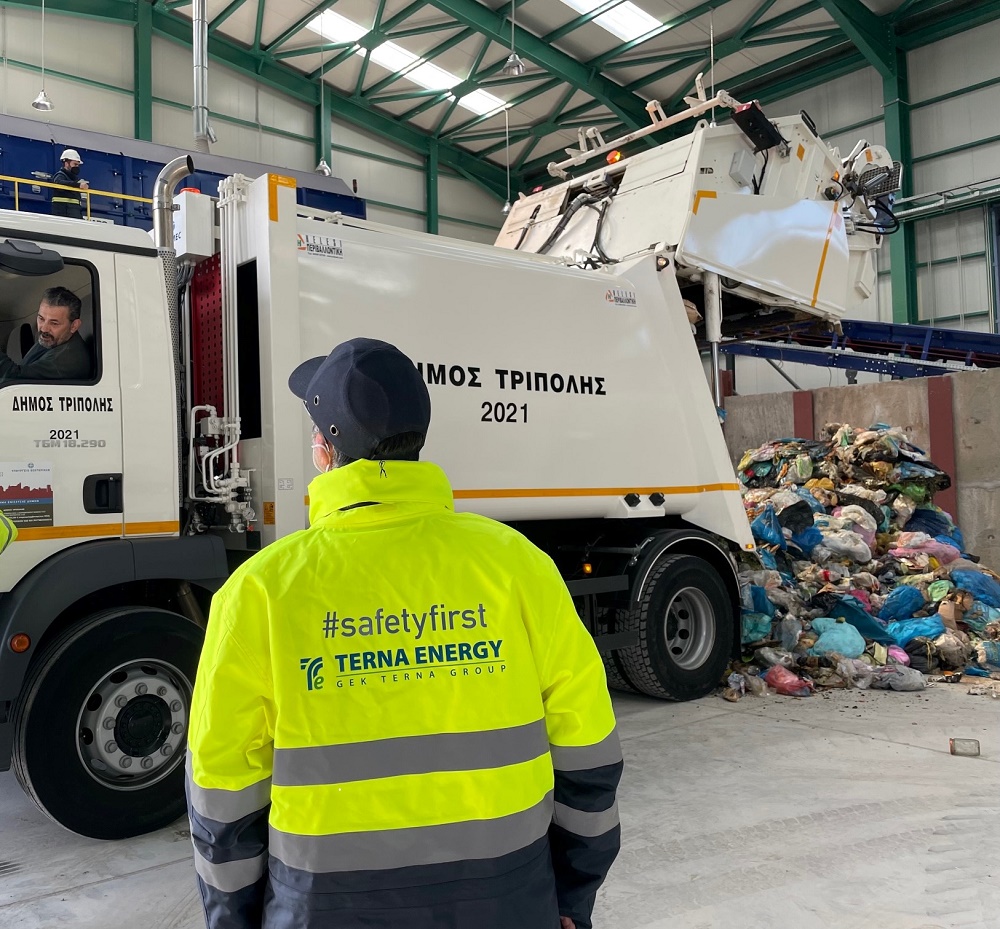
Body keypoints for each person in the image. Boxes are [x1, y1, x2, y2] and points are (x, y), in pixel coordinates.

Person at [187, 337, 622, 929]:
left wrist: (234, 920)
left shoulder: (258, 591)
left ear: (323, 450)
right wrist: (569, 895)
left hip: (321, 909)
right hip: (509, 899)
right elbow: (588, 752)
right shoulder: (519, 566)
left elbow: (222, 789)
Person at [0, 287, 90, 384]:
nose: (44, 328)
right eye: (41, 319)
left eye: (54, 323)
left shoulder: (68, 360)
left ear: (74, 326)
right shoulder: (54, 340)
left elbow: (13, 380)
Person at [50, 148, 89, 219]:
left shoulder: (74, 178)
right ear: (66, 163)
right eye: (75, 164)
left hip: (74, 212)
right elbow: (59, 183)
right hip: (63, 213)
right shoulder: (60, 175)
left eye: (78, 165)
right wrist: (78, 185)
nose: (76, 167)